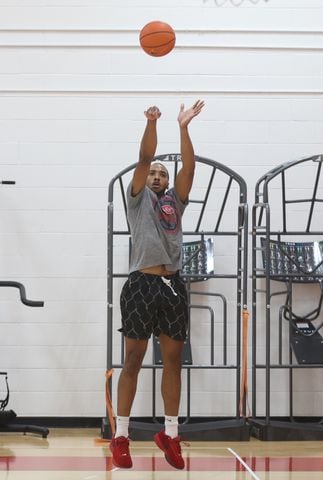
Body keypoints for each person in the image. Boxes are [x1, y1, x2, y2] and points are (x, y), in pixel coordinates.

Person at [110, 100, 205, 470]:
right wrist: (152, 123)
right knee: (132, 360)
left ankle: (170, 433)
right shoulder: (137, 200)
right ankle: (121, 435)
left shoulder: (174, 203)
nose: (157, 176)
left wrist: (183, 128)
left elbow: (190, 169)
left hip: (172, 286)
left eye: (163, 174)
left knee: (173, 363)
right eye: (153, 173)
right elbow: (144, 155)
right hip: (140, 285)